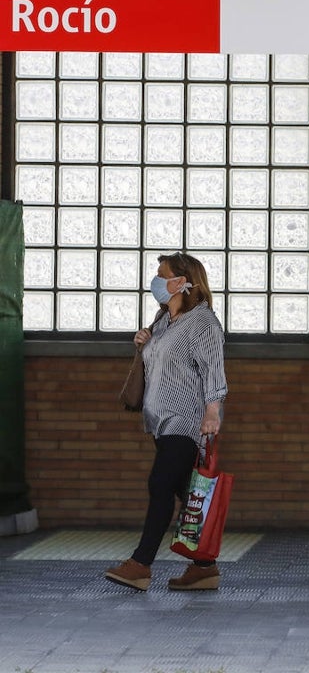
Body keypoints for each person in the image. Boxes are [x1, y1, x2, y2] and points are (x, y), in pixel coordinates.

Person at [103, 252, 227, 593]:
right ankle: (204, 567)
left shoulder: (203, 323)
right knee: (185, 493)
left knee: (160, 484)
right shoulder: (163, 321)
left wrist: (213, 412)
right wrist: (143, 344)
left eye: (163, 275)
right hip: (161, 421)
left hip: (187, 422)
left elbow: (214, 369)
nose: (156, 281)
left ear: (184, 282)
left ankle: (140, 565)